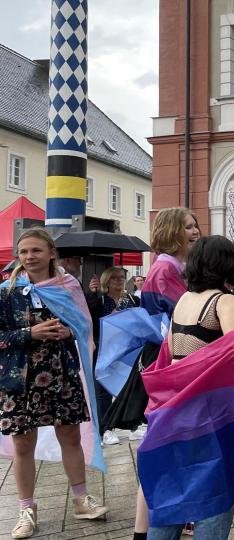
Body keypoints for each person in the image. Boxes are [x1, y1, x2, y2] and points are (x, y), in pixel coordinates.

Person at [145, 235, 234, 540]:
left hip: (176, 406)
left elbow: (171, 349)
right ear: (227, 264)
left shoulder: (184, 299)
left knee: (176, 490)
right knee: (217, 489)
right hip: (212, 410)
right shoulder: (224, 301)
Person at [1, 229, 108, 539]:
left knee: (70, 436)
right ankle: (26, 509)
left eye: (36, 250)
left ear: (51, 253)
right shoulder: (7, 291)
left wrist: (70, 332)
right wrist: (28, 335)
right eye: (23, 252)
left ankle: (81, 500)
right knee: (23, 444)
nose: (29, 256)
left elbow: (84, 325)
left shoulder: (68, 285)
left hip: (61, 373)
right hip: (19, 379)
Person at [121, 206, 199, 540]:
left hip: (172, 357)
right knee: (163, 447)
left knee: (170, 446)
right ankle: (145, 530)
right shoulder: (166, 268)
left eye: (196, 225)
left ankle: (168, 522)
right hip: (169, 361)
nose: (195, 231)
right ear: (171, 231)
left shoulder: (174, 266)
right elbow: (187, 313)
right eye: (188, 226)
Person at [88, 266, 140, 445]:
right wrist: (110, 318)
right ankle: (105, 429)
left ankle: (132, 424)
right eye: (114, 278)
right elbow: (92, 325)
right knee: (102, 391)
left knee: (129, 387)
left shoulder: (132, 299)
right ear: (106, 281)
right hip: (105, 350)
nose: (119, 281)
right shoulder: (101, 301)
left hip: (127, 350)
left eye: (122, 277)